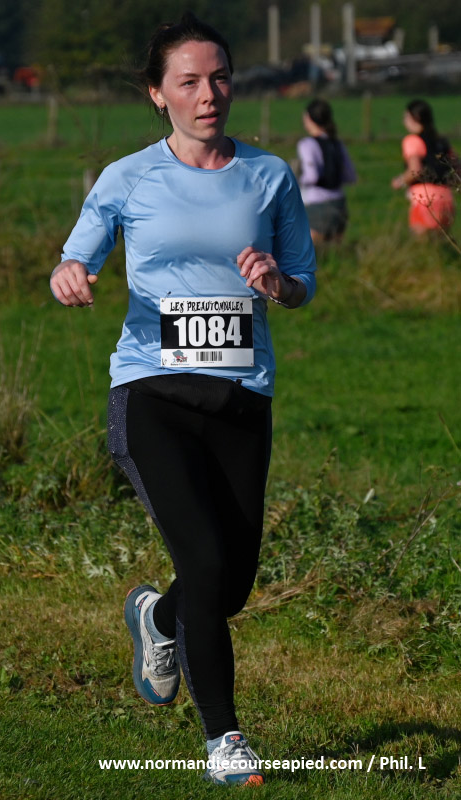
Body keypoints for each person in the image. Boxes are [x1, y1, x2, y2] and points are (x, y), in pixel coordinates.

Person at [50, 12, 316, 787]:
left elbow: (302, 284)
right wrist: (71, 274)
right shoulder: (127, 177)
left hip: (241, 398)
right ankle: (224, 740)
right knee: (201, 560)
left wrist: (278, 283)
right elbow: (76, 256)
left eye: (220, 77)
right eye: (190, 81)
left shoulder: (269, 175)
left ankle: (157, 617)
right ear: (157, 94)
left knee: (230, 583)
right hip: (152, 393)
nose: (209, 94)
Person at [391, 98, 457, 235]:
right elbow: (457, 167)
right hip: (447, 199)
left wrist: (400, 181)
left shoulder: (413, 140)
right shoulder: (442, 141)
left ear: (415, 118)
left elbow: (415, 170)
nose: (404, 121)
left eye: (406, 117)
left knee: (422, 243)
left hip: (425, 200)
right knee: (441, 243)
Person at [296, 98, 356, 245]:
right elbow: (350, 176)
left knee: (314, 254)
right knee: (334, 252)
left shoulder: (307, 144)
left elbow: (312, 176)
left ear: (308, 118)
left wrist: (297, 180)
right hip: (339, 204)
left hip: (317, 206)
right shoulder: (337, 143)